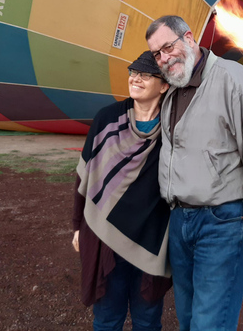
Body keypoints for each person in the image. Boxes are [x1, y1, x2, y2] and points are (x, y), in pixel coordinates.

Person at [145, 15, 243, 330]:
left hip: (222, 222)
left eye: (168, 47)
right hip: (180, 221)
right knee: (188, 318)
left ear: (189, 38)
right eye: (157, 54)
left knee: (210, 323)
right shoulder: (174, 91)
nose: (165, 58)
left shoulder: (234, 80)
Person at [71, 51, 172, 330]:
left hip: (151, 237)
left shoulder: (175, 127)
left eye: (145, 75)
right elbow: (85, 177)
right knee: (107, 318)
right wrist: (78, 225)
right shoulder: (107, 118)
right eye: (133, 72)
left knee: (147, 319)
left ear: (164, 85)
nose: (135, 78)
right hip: (105, 238)